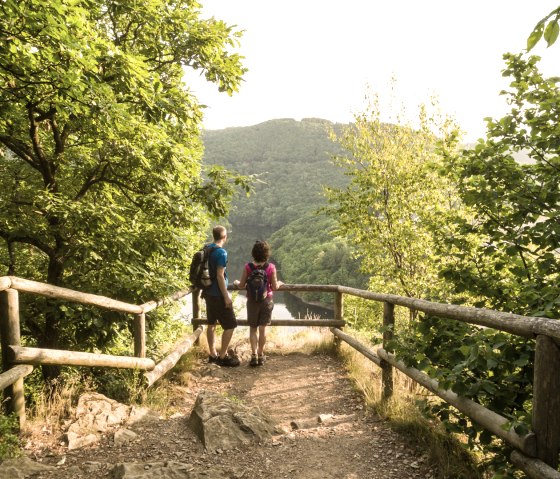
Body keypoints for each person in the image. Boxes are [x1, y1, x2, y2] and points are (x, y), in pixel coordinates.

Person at [234, 240, 284, 367]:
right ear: (267, 253)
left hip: (252, 301)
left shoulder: (248, 267)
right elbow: (274, 286)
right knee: (262, 329)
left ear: (253, 253)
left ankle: (254, 356)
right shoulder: (271, 267)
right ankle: (261, 355)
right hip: (266, 301)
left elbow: (241, 285)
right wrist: (280, 284)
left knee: (253, 329)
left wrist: (235, 283)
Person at [204, 225, 240, 367]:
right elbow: (220, 276)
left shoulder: (207, 249)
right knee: (230, 325)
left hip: (207, 293)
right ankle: (223, 356)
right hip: (218, 294)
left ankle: (213, 354)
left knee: (211, 324)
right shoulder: (221, 253)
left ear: (214, 236)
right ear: (224, 237)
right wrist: (226, 296)